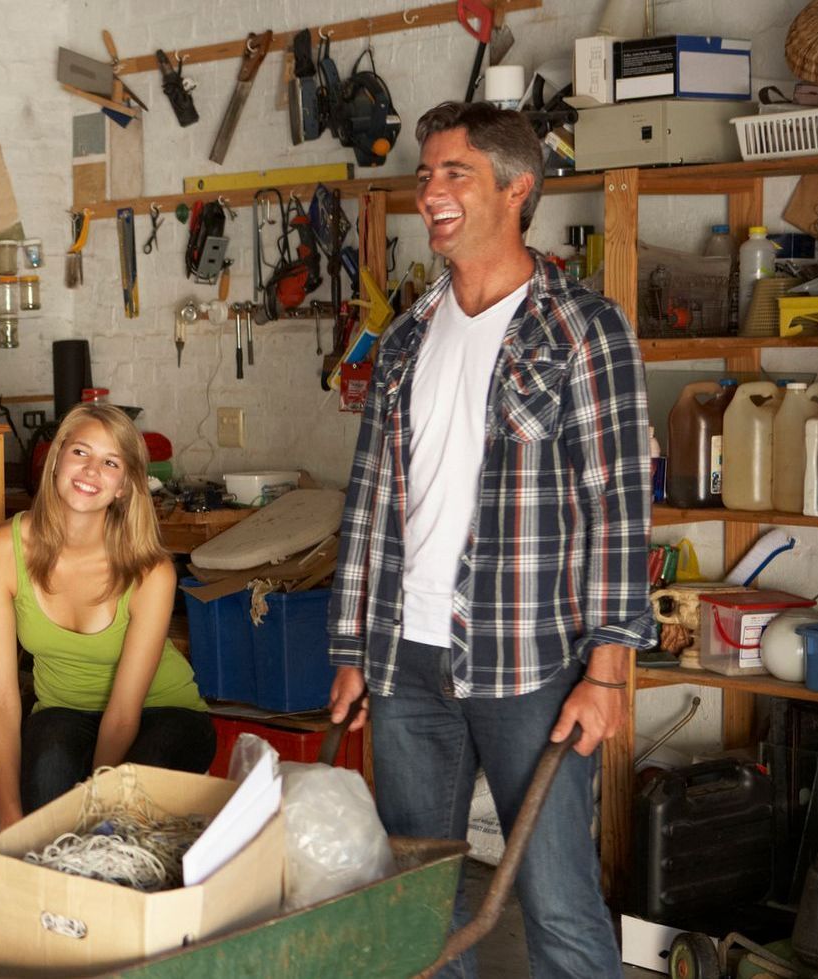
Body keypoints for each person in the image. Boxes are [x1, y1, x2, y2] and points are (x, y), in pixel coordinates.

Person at [326, 102, 652, 977]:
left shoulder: (582, 329)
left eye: (453, 172)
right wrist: (355, 647)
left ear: (516, 188)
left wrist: (610, 668)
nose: (428, 190)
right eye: (425, 174)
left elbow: (617, 504)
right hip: (408, 662)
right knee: (421, 899)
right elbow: (368, 505)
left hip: (530, 665)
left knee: (555, 900)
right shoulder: (404, 339)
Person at [0, 402, 213, 829]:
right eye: (80, 452)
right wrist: (9, 817)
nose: (90, 472)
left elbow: (123, 711)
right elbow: (1, 697)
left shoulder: (149, 571)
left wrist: (98, 810)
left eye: (110, 462)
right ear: (56, 459)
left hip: (162, 712)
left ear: (124, 486)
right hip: (63, 711)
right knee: (46, 779)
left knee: (129, 801)